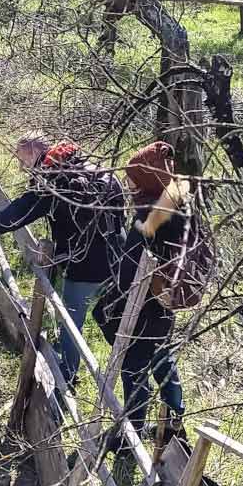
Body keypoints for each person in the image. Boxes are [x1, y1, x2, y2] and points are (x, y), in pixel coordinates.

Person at [0, 132, 124, 385]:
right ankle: (131, 372)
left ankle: (66, 377)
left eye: (22, 160)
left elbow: (8, 219)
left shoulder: (51, 184)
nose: (20, 167)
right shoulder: (91, 166)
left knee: (71, 323)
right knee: (119, 323)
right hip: (117, 261)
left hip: (83, 268)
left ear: (34, 153)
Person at [93, 141, 187, 447]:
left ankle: (130, 435)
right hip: (165, 303)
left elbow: (128, 270)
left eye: (132, 176)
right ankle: (175, 421)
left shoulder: (148, 215)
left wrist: (113, 295)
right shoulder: (179, 204)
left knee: (134, 369)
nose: (128, 182)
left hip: (143, 308)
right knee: (162, 358)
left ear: (145, 178)